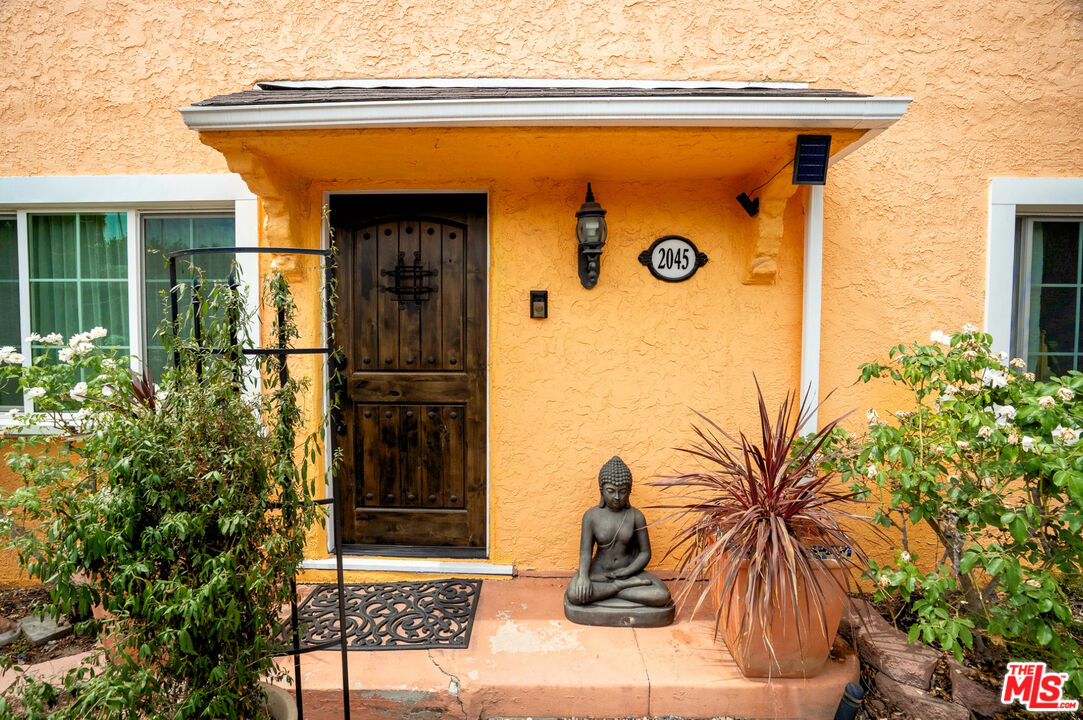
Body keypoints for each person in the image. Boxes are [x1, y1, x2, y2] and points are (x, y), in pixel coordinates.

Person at [565, 456, 672, 608]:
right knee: (574, 594)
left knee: (662, 595)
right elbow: (585, 552)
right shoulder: (591, 516)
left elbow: (645, 553)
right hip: (598, 573)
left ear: (629, 491)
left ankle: (610, 590)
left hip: (629, 572)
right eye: (611, 491)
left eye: (622, 491)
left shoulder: (636, 516)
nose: (616, 497)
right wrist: (583, 577)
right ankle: (620, 587)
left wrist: (628, 571)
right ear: (602, 491)